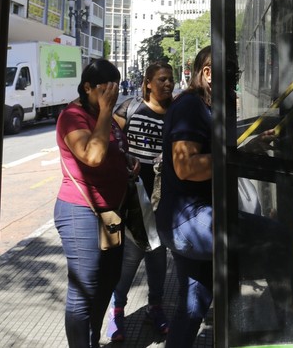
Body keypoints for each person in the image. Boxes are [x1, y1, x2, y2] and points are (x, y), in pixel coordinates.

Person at [54, 58, 133, 348]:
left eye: (115, 89)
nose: (111, 95)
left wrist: (127, 163)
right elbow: (92, 156)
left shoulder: (103, 114)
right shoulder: (72, 117)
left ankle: (91, 339)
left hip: (111, 214)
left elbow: (112, 150)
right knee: (84, 289)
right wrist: (107, 110)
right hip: (80, 212)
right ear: (87, 87)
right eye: (105, 89)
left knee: (108, 280)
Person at [105, 61, 176, 342]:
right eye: (162, 79)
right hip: (133, 198)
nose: (168, 84)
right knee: (130, 260)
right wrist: (122, 161)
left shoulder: (175, 112)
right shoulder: (130, 109)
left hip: (162, 199)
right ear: (147, 83)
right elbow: (110, 139)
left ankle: (154, 308)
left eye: (170, 79)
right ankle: (117, 312)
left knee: (158, 259)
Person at [154, 47, 215, 348]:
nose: (235, 86)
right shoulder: (191, 106)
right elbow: (186, 167)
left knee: (194, 304)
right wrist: (235, 155)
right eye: (231, 78)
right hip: (189, 220)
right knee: (274, 238)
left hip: (182, 221)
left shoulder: (200, 106)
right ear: (208, 73)